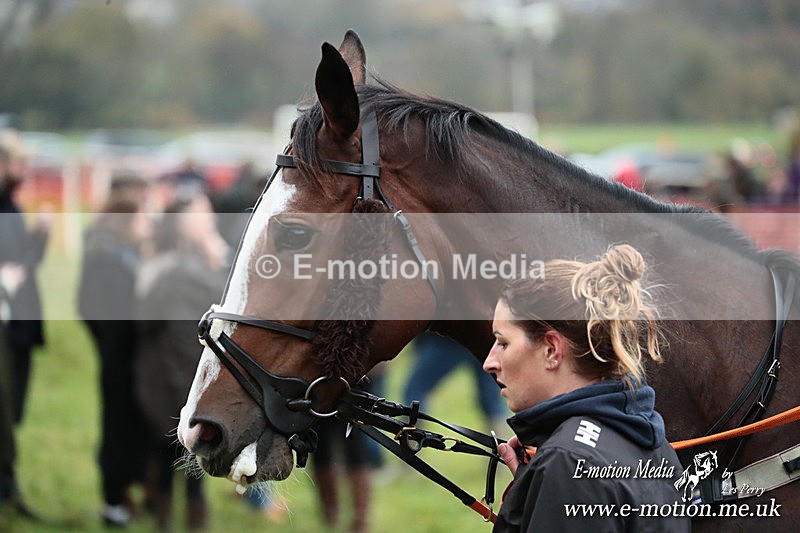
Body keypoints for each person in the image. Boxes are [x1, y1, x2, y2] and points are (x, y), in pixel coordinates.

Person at [485, 244, 689, 532]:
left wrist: (554, 481)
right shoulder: (650, 440)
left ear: (551, 350)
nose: (489, 362)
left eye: (503, 343)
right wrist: (532, 496)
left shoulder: (568, 462)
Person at [134, 193, 230, 530]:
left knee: (173, 463)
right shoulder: (182, 268)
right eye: (203, 214)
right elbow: (225, 310)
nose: (211, 220)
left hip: (169, 377)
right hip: (177, 379)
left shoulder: (168, 260)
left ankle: (170, 521)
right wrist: (220, 263)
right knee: (182, 462)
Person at [78, 191, 152, 527]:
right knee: (118, 432)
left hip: (131, 358)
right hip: (120, 361)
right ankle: (113, 503)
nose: (148, 224)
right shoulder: (106, 257)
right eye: (142, 217)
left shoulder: (127, 252)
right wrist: (111, 346)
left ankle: (132, 492)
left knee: (136, 431)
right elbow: (92, 309)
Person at [0, 140, 49, 521]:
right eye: (19, 163)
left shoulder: (11, 207)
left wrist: (42, 235)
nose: (25, 170)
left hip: (17, 324)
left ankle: (8, 487)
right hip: (8, 324)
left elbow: (20, 266)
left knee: (11, 411)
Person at [312, 367, 385, 533]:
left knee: (356, 448)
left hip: (355, 375)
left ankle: (359, 521)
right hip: (320, 378)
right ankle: (331, 517)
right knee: (320, 447)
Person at [403, 332, 506, 432]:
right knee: (492, 401)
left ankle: (411, 437)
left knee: (416, 390)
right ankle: (501, 439)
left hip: (448, 340)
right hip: (484, 339)